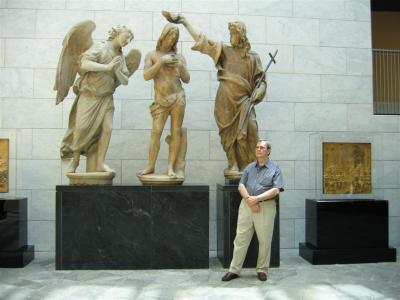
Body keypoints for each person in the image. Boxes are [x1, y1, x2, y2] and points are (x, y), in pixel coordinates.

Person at [163, 13, 266, 177]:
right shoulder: (224, 51)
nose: (231, 36)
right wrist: (184, 22)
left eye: (234, 33)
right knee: (228, 134)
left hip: (245, 101)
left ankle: (253, 167)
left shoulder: (253, 58)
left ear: (241, 35)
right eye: (230, 33)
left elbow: (261, 82)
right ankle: (232, 164)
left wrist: (259, 91)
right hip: (225, 99)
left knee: (251, 130)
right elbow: (202, 41)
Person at [60, 25, 134, 174]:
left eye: (130, 40)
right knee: (81, 128)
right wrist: (107, 67)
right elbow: (84, 64)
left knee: (108, 128)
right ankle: (75, 162)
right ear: (117, 34)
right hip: (89, 94)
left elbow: (125, 80)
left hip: (106, 97)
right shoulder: (100, 47)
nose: (127, 41)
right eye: (126, 37)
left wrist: (117, 71)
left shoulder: (120, 56)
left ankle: (100, 163)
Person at [222, 140, 284, 282]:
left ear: (268, 151)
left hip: (265, 207)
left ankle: (262, 270)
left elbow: (276, 190)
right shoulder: (249, 167)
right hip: (246, 205)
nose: (258, 149)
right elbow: (241, 185)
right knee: (240, 239)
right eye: (257, 147)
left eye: (262, 147)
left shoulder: (275, 169)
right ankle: (234, 270)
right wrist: (250, 200)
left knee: (264, 240)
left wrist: (256, 199)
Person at [139, 23, 190, 177]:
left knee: (176, 132)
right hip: (161, 100)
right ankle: (150, 165)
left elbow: (186, 79)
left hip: (178, 97)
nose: (172, 38)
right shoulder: (152, 55)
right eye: (170, 35)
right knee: (156, 132)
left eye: (175, 37)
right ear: (164, 35)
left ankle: (170, 168)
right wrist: (161, 62)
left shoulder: (179, 57)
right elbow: (146, 75)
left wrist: (181, 67)